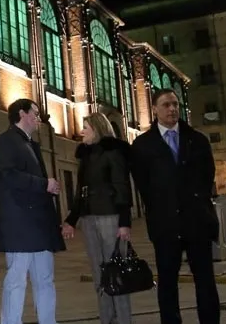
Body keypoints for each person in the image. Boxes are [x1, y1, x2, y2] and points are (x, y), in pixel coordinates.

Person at [130, 88, 220, 324]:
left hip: (196, 222)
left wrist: (197, 200)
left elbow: (207, 175)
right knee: (168, 282)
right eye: (166, 105)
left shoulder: (197, 140)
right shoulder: (142, 145)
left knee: (205, 280)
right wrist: (159, 209)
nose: (172, 109)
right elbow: (143, 185)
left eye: (175, 104)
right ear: (155, 109)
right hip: (165, 225)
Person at [0, 98, 65, 324]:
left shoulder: (30, 143)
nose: (39, 118)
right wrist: (43, 184)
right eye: (35, 112)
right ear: (22, 114)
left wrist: (48, 187)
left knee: (45, 279)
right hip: (19, 225)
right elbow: (8, 175)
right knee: (16, 280)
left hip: (39, 226)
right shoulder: (6, 141)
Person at [61, 112, 133, 324]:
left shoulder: (112, 152)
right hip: (89, 218)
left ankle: (124, 320)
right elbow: (81, 191)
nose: (81, 131)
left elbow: (122, 187)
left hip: (110, 216)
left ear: (97, 129)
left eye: (86, 127)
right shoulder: (85, 155)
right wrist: (72, 219)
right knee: (99, 273)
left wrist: (125, 222)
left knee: (116, 272)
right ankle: (106, 319)